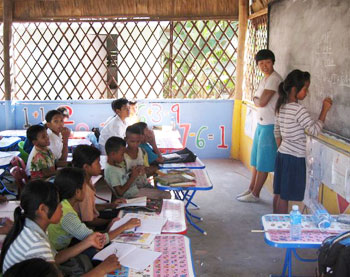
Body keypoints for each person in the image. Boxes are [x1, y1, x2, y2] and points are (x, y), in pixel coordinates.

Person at [0, 179, 120, 276]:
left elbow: (55, 258)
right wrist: (101, 270)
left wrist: (87, 242)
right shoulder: (35, 245)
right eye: (58, 203)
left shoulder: (29, 225)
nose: (62, 207)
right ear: (42, 209)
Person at [273, 70, 332, 213]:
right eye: (305, 88)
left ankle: (274, 224)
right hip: (293, 158)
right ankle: (283, 229)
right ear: (295, 89)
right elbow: (313, 130)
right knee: (285, 196)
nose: (307, 92)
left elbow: (276, 131)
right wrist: (324, 110)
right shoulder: (299, 110)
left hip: (282, 155)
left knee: (279, 193)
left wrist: (283, 148)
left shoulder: (282, 106)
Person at [48, 168, 140, 258]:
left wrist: (109, 209)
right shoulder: (67, 214)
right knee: (97, 250)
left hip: (68, 241)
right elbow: (98, 240)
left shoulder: (64, 203)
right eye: (85, 186)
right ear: (77, 192)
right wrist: (125, 226)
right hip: (59, 252)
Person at [237, 49, 282, 203]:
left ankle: (255, 194)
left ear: (273, 62)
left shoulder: (274, 79)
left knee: (263, 162)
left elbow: (261, 101)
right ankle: (251, 189)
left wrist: (257, 100)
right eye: (261, 63)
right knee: (256, 160)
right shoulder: (265, 79)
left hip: (270, 125)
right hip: (261, 124)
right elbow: (258, 99)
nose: (264, 66)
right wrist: (257, 100)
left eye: (267, 62)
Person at [72, 145, 126, 226]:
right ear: (86, 167)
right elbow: (90, 221)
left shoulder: (87, 179)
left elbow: (91, 207)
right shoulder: (84, 189)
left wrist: (110, 205)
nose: (100, 166)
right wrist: (112, 222)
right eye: (97, 163)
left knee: (121, 212)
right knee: (122, 218)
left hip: (92, 218)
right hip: (89, 227)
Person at [104, 136, 170, 199]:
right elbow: (120, 192)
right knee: (166, 195)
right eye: (122, 154)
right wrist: (133, 177)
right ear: (113, 154)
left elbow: (123, 179)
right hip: (130, 196)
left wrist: (135, 171)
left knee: (162, 192)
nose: (123, 156)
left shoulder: (116, 165)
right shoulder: (111, 170)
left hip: (134, 190)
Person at [124, 125, 171, 199]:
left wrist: (145, 169)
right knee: (165, 195)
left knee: (165, 193)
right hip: (132, 189)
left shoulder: (142, 152)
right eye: (132, 141)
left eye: (138, 141)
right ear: (126, 139)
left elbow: (146, 169)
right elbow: (121, 178)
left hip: (144, 184)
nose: (135, 144)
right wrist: (133, 173)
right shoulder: (122, 156)